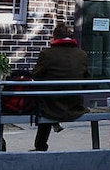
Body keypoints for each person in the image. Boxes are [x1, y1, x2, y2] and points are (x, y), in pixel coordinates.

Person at [30, 23, 90, 152]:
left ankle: (40, 147)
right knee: (51, 99)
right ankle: (50, 131)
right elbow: (86, 78)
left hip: (50, 104)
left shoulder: (47, 54)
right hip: (74, 104)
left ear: (55, 37)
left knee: (45, 101)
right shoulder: (82, 54)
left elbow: (36, 75)